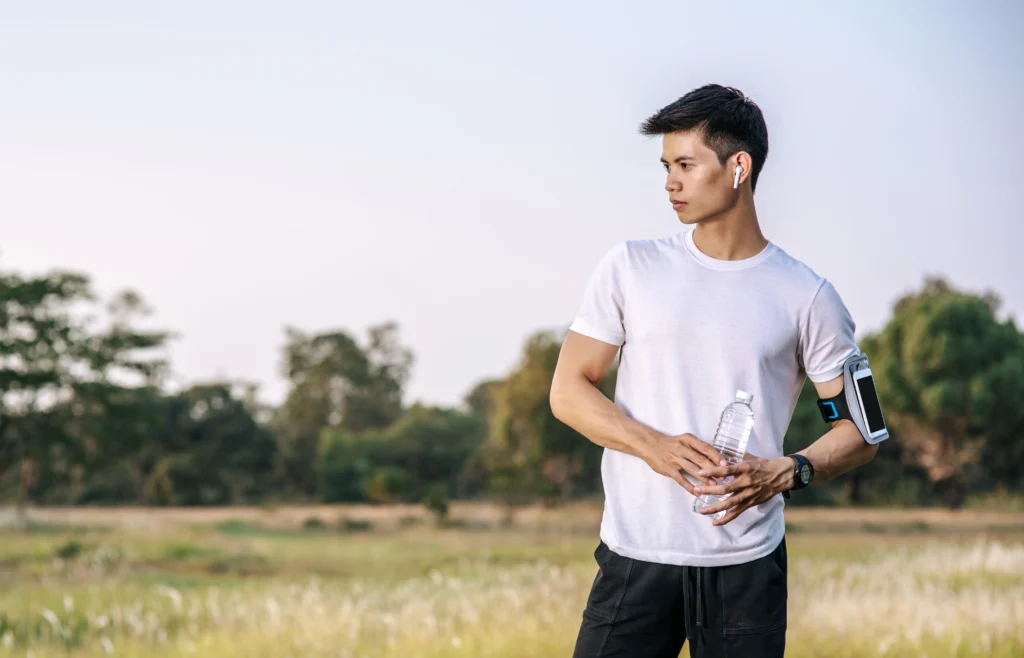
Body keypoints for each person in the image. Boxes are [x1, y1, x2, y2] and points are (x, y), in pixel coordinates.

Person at [550, 84, 880, 658]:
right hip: (634, 557)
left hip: (746, 571)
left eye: (685, 164)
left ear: (738, 167)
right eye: (665, 167)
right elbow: (568, 392)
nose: (670, 182)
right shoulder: (631, 267)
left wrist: (786, 471)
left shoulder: (807, 296)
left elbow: (861, 432)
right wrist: (650, 444)